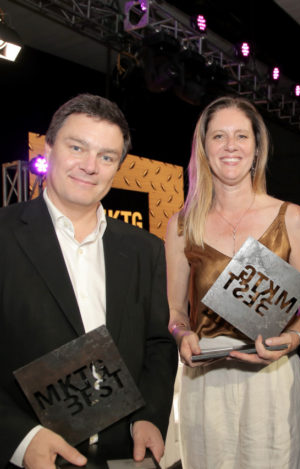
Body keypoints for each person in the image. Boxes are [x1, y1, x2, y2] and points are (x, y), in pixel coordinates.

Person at [0, 94, 178, 469]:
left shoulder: (145, 249)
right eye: (77, 147)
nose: (90, 166)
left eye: (107, 156)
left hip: (122, 453)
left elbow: (159, 345)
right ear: (49, 149)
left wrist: (149, 416)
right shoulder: (4, 235)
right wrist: (20, 437)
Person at [165, 96, 300, 468]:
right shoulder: (182, 225)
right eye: (218, 136)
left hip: (272, 376)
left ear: (257, 148)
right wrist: (182, 335)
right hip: (207, 378)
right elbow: (175, 312)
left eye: (241, 135)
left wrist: (292, 338)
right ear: (204, 149)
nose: (230, 145)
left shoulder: (292, 217)